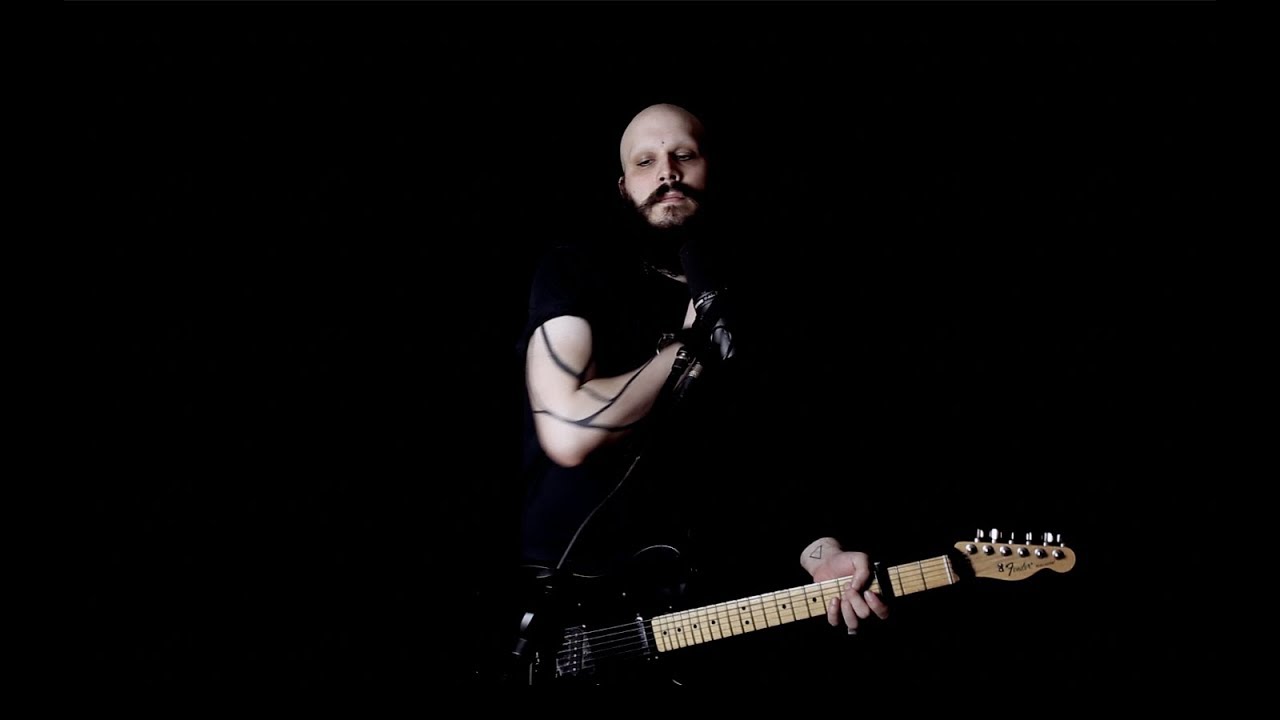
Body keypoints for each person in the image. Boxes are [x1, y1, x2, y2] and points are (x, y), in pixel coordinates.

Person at [508, 103, 887, 685]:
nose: (667, 172)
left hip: (690, 614)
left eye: (684, 155)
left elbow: (771, 461)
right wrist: (690, 346)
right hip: (568, 624)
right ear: (623, 185)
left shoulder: (757, 298)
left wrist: (822, 554)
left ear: (712, 170)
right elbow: (567, 431)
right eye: (646, 161)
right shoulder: (576, 269)